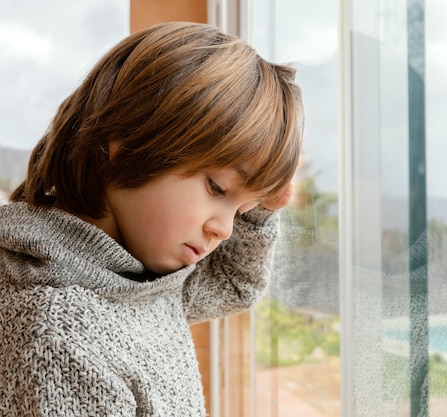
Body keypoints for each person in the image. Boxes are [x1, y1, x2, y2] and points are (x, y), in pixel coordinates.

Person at [0, 21, 302, 416]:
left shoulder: (135, 278)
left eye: (241, 212)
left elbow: (233, 283)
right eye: (216, 187)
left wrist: (260, 210)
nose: (225, 230)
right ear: (126, 140)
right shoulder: (60, 339)